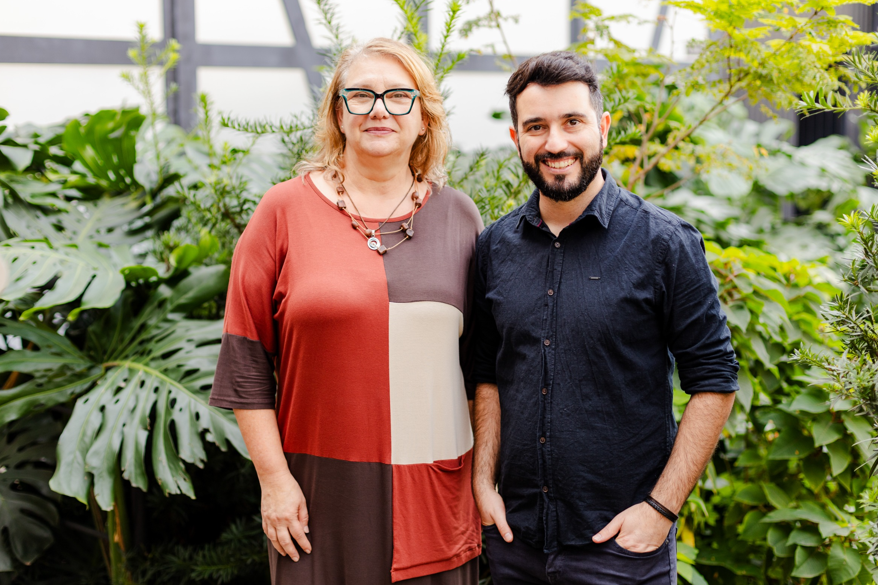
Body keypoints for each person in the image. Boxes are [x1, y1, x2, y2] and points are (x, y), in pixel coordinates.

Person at [209, 37, 483, 585]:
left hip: (435, 491)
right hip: (315, 498)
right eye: (360, 95)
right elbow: (244, 368)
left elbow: (482, 372)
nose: (379, 109)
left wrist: (484, 484)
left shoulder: (460, 217)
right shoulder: (282, 211)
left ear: (424, 117)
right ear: (338, 112)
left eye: (398, 96)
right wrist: (274, 482)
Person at [471, 51, 739, 584]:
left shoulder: (664, 244)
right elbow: (486, 375)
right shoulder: (493, 248)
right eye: (536, 126)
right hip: (513, 544)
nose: (555, 143)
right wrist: (482, 486)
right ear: (516, 139)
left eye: (572, 122)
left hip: (620, 551)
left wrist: (660, 511)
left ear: (603, 127)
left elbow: (714, 382)